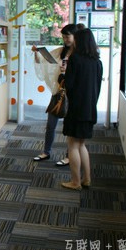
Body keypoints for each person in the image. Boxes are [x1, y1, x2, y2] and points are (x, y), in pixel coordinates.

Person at [32, 23, 81, 166]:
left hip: (72, 94)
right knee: (50, 124)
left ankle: (69, 155)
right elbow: (44, 61)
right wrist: (36, 53)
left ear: (75, 36)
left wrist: (67, 71)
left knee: (70, 127)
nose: (65, 40)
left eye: (68, 37)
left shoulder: (79, 54)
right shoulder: (61, 51)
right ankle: (46, 151)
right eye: (63, 37)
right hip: (58, 91)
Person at [61, 28, 103, 190]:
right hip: (90, 108)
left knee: (72, 145)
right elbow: (98, 87)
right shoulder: (97, 62)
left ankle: (75, 182)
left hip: (76, 109)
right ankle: (87, 179)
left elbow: (69, 85)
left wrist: (64, 75)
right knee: (81, 145)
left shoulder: (75, 59)